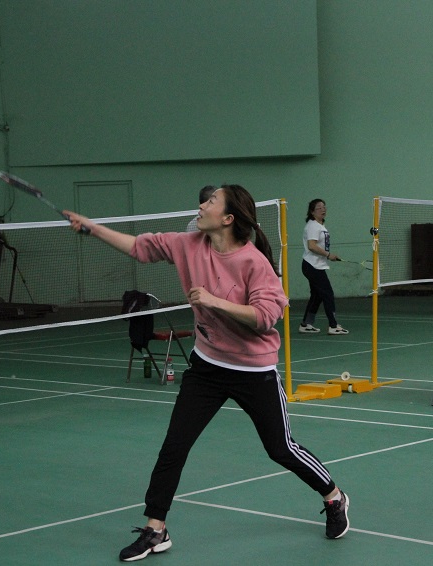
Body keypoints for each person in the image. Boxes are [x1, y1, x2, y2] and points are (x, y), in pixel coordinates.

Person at [64, 185, 350, 562]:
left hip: (253, 370)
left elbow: (266, 317)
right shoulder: (189, 245)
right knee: (175, 444)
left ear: (228, 218)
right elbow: (139, 247)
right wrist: (93, 228)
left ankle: (333, 496)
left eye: (211, 201)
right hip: (207, 366)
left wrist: (216, 302)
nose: (202, 205)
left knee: (280, 448)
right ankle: (155, 529)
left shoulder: (253, 262)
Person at [299, 199, 349, 335]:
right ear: (312, 212)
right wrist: (328, 255)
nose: (323, 209)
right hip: (312, 265)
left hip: (316, 265)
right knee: (327, 294)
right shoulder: (313, 226)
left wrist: (328, 256)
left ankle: (306, 324)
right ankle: (333, 325)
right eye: (319, 208)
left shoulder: (320, 225)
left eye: (324, 207)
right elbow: (311, 246)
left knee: (317, 295)